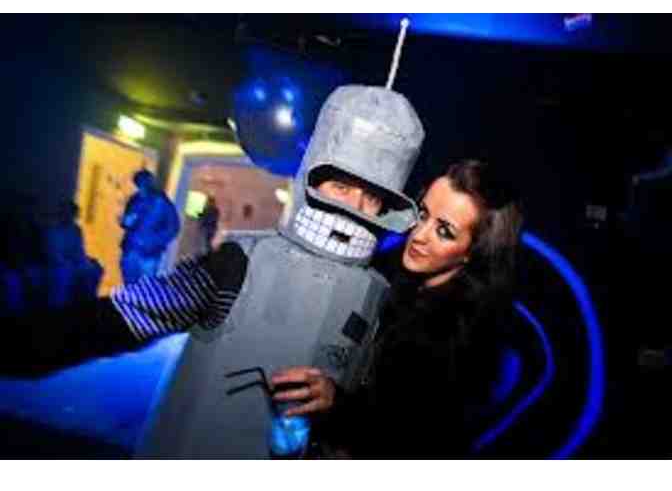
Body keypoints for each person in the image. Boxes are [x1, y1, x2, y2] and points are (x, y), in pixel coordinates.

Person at [1, 84, 426, 458]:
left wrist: (341, 408)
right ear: (311, 180)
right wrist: (22, 344)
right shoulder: (238, 264)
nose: (354, 207)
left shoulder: (381, 294)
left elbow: (384, 409)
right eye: (342, 186)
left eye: (372, 196)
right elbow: (125, 316)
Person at [271, 159, 534, 458]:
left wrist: (336, 403)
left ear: (473, 252)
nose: (419, 235)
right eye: (423, 215)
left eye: (444, 231)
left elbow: (412, 440)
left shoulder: (458, 335)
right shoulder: (397, 283)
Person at [119, 169, 180, 284]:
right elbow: (127, 221)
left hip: (149, 254)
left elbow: (173, 228)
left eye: (141, 184)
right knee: (129, 284)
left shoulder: (162, 203)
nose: (139, 188)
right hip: (131, 250)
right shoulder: (134, 200)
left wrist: (153, 242)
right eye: (138, 184)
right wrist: (125, 222)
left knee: (145, 286)